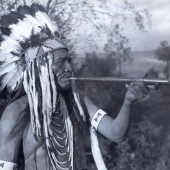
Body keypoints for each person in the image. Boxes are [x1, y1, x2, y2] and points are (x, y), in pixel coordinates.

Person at [0, 4, 158, 170]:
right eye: (61, 62)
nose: (69, 68)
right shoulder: (15, 112)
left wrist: (128, 101)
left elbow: (116, 134)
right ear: (41, 67)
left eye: (69, 61)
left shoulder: (77, 102)